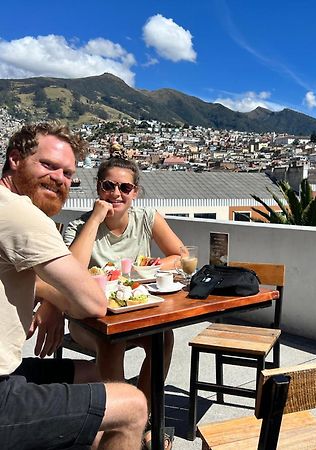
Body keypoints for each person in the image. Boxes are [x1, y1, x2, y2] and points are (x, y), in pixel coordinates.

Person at [0, 123, 147, 450]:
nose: (59, 178)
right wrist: (55, 297)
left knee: (97, 375)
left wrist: (45, 295)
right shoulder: (20, 213)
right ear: (14, 159)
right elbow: (92, 303)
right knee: (132, 404)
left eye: (68, 173)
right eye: (48, 165)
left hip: (10, 371)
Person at [63, 147, 184, 444]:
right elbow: (71, 272)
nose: (116, 193)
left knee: (163, 338)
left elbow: (179, 255)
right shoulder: (79, 226)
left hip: (134, 312)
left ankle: (143, 417)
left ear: (135, 192)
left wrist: (152, 265)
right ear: (98, 188)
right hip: (88, 320)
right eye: (109, 186)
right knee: (112, 342)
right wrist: (95, 218)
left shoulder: (146, 218)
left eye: (125, 187)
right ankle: (114, 425)